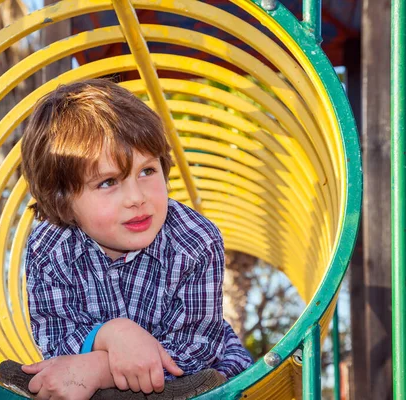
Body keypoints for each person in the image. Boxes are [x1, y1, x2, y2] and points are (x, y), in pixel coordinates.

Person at [20, 79, 252, 400]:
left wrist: (102, 368)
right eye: (108, 182)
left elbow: (197, 348)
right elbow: (56, 337)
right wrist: (109, 335)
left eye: (147, 171)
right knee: (46, 381)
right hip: (97, 369)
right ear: (63, 200)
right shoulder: (49, 249)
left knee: (222, 385)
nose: (136, 198)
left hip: (199, 372)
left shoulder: (196, 240)